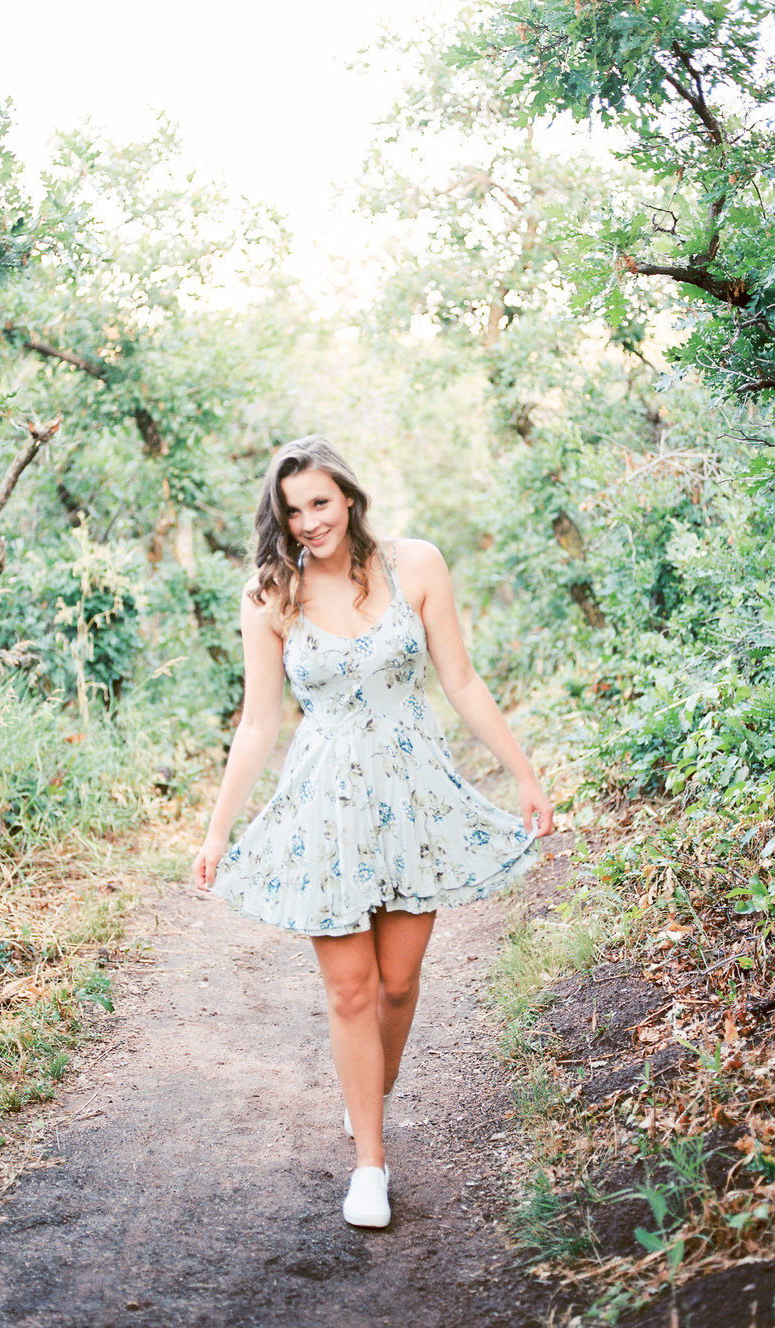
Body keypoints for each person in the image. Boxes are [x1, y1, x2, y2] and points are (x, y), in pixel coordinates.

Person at [192, 435, 553, 1229]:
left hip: (414, 795)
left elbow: (459, 678)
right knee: (350, 991)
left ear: (348, 497)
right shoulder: (268, 595)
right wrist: (218, 831)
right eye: (293, 511)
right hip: (326, 807)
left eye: (320, 502)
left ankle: (368, 1098)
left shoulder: (415, 565)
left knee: (397, 982)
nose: (309, 522)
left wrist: (523, 772)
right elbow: (258, 724)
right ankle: (370, 1164)